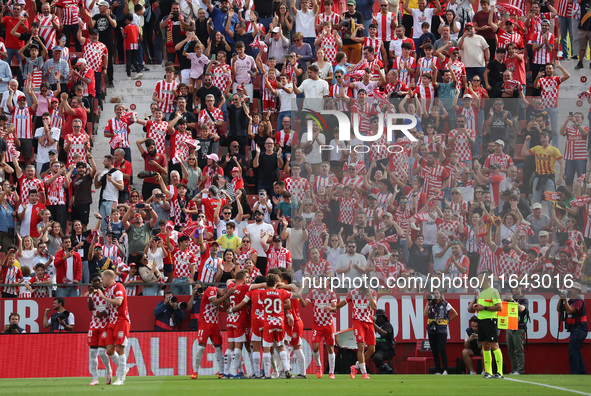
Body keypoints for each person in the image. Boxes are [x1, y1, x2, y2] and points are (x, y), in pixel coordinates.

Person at [332, 285, 377, 379]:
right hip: (358, 322)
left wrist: (369, 294)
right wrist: (335, 308)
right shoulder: (353, 293)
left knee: (372, 349)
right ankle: (364, 373)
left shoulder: (372, 293)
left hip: (369, 322)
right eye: (360, 290)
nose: (361, 293)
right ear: (359, 288)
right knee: (360, 346)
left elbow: (373, 307)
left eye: (364, 291)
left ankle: (356, 366)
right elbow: (344, 302)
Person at [190, 284, 233, 379]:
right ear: (222, 290)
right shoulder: (211, 289)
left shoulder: (217, 296)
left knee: (219, 348)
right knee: (201, 347)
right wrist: (227, 294)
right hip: (204, 323)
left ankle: (221, 372)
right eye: (223, 293)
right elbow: (215, 302)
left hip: (215, 325)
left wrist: (226, 301)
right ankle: (195, 371)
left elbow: (223, 309)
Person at [97, 269, 130, 386]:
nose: (101, 281)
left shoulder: (118, 287)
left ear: (107, 278)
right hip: (112, 321)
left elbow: (118, 302)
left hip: (121, 321)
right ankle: (123, 368)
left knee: (120, 348)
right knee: (109, 350)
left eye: (102, 279)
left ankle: (120, 378)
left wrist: (103, 297)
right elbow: (110, 306)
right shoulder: (107, 290)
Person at [300, 276, 337, 378]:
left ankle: (331, 372)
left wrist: (330, 307)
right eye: (320, 281)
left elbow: (335, 309)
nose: (322, 283)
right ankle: (319, 366)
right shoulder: (313, 293)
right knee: (315, 347)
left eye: (324, 281)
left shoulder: (331, 293)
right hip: (317, 324)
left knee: (330, 348)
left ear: (327, 282)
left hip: (328, 324)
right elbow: (304, 305)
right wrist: (299, 295)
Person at [472, 269, 504, 378]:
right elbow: (482, 307)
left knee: (494, 345)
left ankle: (499, 372)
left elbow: (499, 307)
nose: (478, 280)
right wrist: (477, 307)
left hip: (490, 320)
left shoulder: (494, 291)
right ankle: (488, 372)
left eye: (480, 278)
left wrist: (484, 307)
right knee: (485, 347)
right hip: (481, 320)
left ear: (485, 279)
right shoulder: (481, 293)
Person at [87, 273, 113, 386]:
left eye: (99, 280)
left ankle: (108, 370)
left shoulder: (107, 293)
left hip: (105, 325)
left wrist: (106, 312)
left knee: (102, 352)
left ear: (101, 281)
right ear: (92, 283)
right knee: (92, 353)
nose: (97, 282)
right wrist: (90, 295)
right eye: (95, 281)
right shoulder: (92, 294)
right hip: (94, 325)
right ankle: (95, 378)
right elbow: (90, 308)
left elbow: (112, 308)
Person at [424, 289, 458, 375]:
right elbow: (425, 314)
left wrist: (447, 321)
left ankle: (445, 370)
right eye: (434, 293)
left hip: (442, 329)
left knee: (442, 349)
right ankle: (438, 370)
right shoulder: (431, 304)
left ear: (440, 294)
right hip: (432, 328)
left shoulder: (445, 304)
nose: (436, 295)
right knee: (434, 350)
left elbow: (455, 313)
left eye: (437, 293)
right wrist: (428, 302)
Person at [557, 282, 588, 374]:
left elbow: (570, 311)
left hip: (580, 328)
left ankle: (574, 372)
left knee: (572, 351)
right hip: (577, 329)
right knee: (577, 351)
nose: (570, 290)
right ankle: (582, 372)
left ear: (578, 291)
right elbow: (559, 309)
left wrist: (565, 300)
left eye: (573, 288)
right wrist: (561, 299)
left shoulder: (579, 301)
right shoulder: (571, 301)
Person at [94, 155, 124, 233]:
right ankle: (105, 243)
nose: (103, 163)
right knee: (104, 225)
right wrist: (96, 176)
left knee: (112, 224)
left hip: (112, 200)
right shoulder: (104, 173)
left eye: (105, 161)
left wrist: (112, 181)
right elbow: (97, 186)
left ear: (110, 162)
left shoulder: (118, 173)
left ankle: (114, 243)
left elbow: (121, 187)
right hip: (103, 201)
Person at [504, 286, 529, 375]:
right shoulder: (509, 300)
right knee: (510, 351)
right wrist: (504, 301)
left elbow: (522, 309)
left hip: (519, 327)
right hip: (509, 327)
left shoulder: (524, 300)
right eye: (513, 289)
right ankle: (514, 370)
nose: (514, 290)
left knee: (518, 350)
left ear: (520, 289)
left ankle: (520, 370)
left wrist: (512, 301)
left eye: (516, 288)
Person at [372, 308, 395, 374]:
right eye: (377, 317)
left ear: (383, 318)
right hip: (375, 348)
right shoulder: (375, 326)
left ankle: (387, 370)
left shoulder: (387, 325)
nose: (378, 319)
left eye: (379, 317)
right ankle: (366, 371)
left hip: (386, 349)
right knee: (363, 356)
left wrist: (374, 325)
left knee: (377, 358)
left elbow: (384, 334)